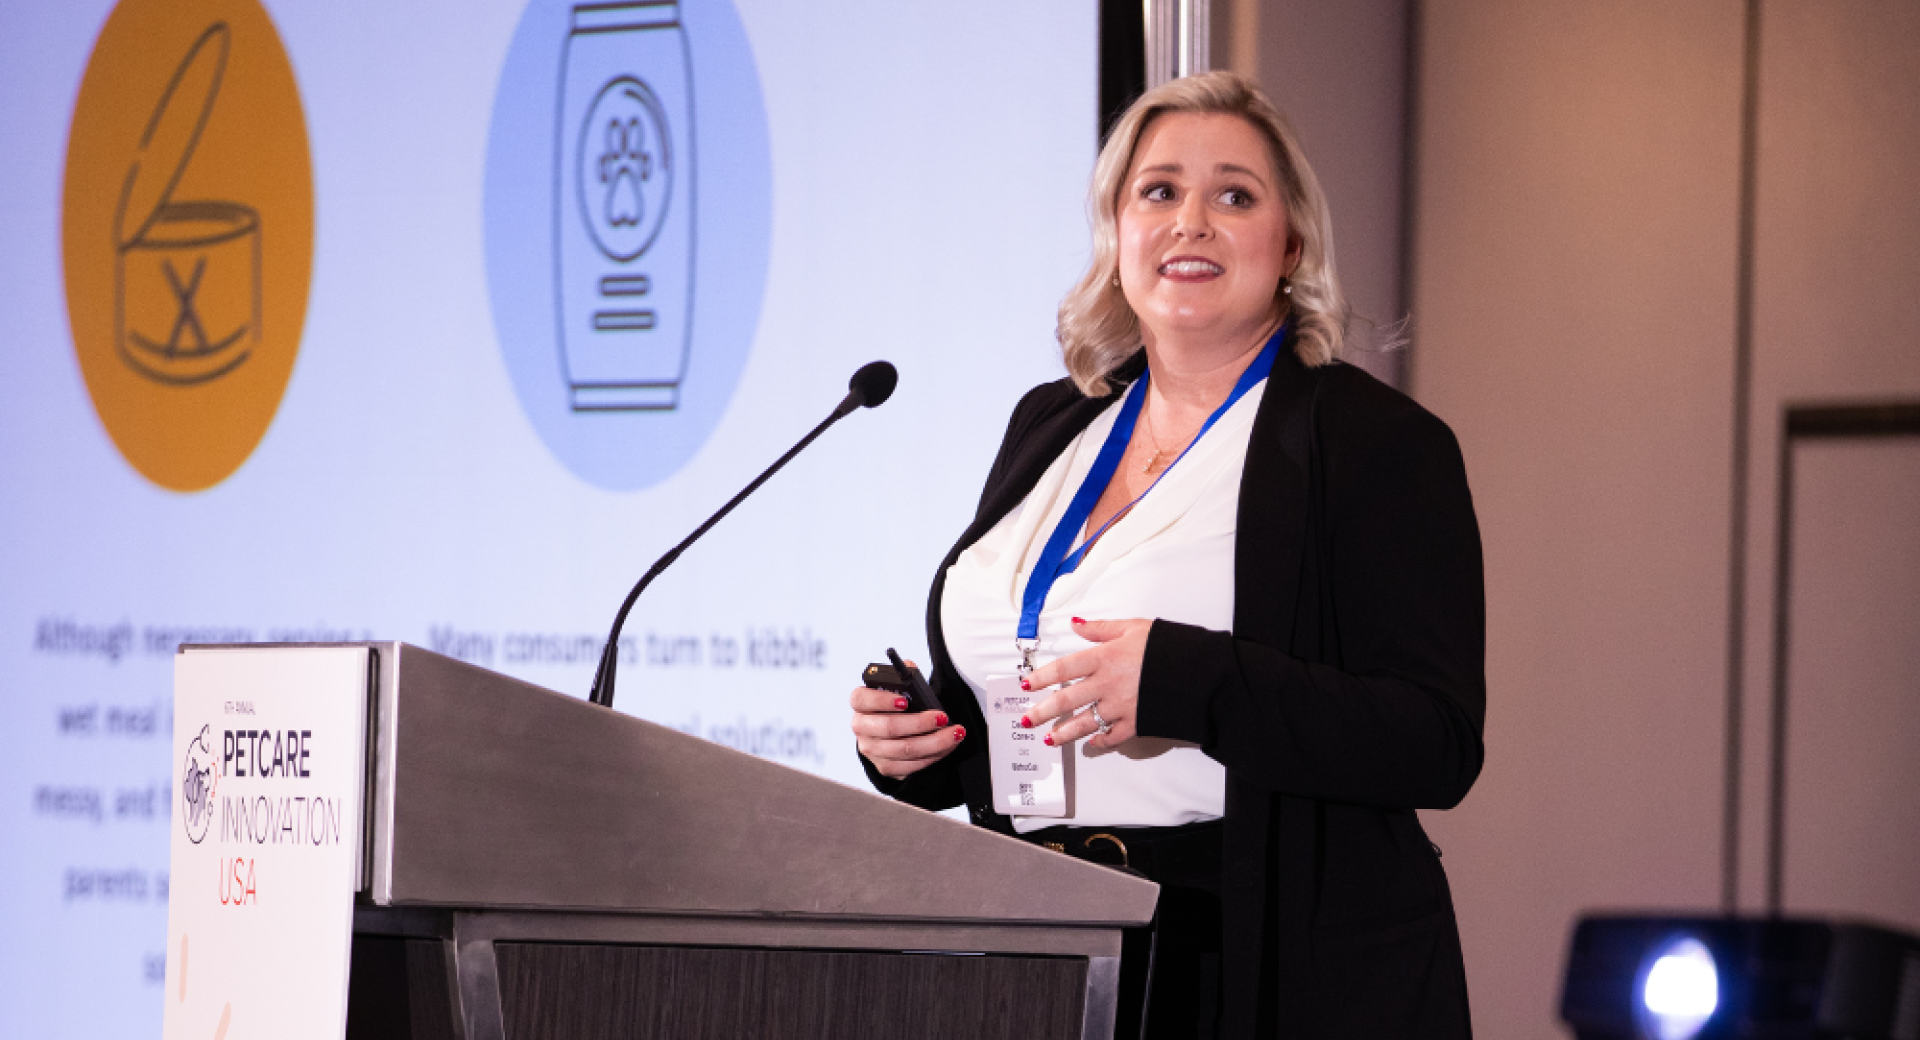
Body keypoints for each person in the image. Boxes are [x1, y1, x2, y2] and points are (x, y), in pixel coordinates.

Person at [850, 70, 1483, 1040]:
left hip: (1254, 958)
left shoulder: (1372, 442)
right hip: (1041, 944)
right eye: (1158, 191)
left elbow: (1435, 741)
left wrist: (1190, 680)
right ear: (1117, 233)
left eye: (1234, 195)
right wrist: (925, 746)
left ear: (1292, 243)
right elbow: (1026, 692)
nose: (1191, 221)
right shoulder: (1054, 422)